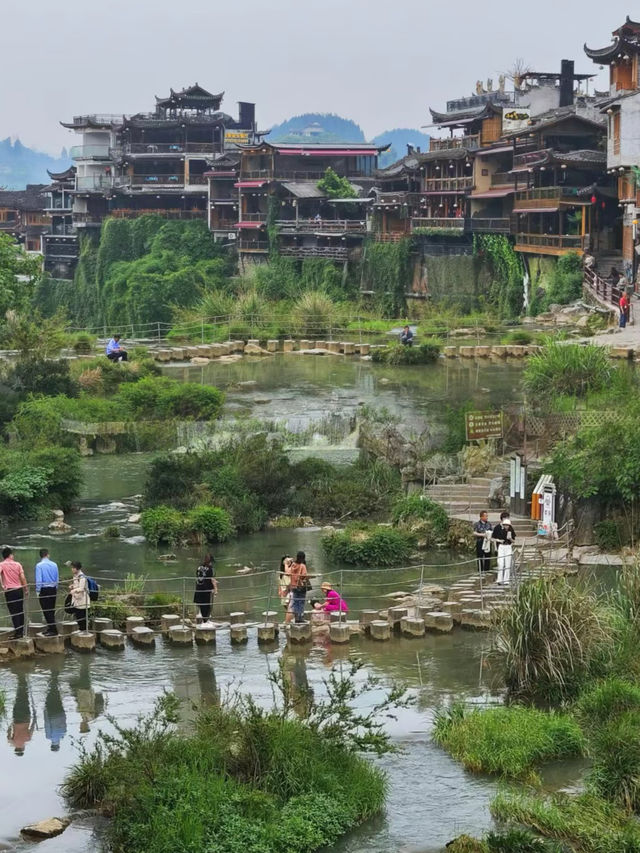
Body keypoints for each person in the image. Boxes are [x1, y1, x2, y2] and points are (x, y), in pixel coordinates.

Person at [0, 546, 28, 639]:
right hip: (19, 590)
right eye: (12, 554)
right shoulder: (18, 564)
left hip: (10, 591)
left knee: (13, 612)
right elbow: (23, 578)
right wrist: (26, 589)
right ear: (10, 555)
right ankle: (21, 631)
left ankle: (18, 633)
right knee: (20, 610)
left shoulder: (2, 565)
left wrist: (2, 585)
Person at [35, 548, 59, 635]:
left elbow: (39, 580)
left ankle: (53, 630)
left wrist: (38, 591)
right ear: (47, 555)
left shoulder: (39, 565)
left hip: (44, 590)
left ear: (41, 556)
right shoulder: (54, 564)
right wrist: (56, 588)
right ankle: (50, 628)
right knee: (51, 610)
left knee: (46, 610)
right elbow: (57, 578)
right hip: (53, 589)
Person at [492, 511, 516, 585]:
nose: (506, 526)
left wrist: (510, 539)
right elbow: (493, 538)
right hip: (501, 546)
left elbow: (513, 540)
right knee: (501, 563)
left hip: (508, 546)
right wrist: (498, 541)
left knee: (508, 563)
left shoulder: (510, 528)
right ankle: (499, 579)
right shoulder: (497, 528)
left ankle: (506, 579)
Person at [285, 551, 309, 625]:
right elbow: (304, 575)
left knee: (295, 603)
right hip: (301, 587)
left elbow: (288, 573)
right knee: (301, 602)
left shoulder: (293, 565)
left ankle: (296, 618)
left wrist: (287, 563)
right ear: (303, 558)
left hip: (293, 587)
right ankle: (300, 618)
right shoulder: (302, 565)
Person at [193, 554, 217, 622]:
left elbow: (198, 577)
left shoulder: (199, 567)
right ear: (210, 561)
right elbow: (212, 579)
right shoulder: (211, 568)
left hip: (198, 588)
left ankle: (203, 619)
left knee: (201, 605)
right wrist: (215, 590)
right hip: (206, 590)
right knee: (207, 606)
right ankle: (206, 621)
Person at [69, 561, 90, 631]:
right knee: (78, 615)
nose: (72, 569)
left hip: (82, 599)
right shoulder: (75, 576)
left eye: (73, 568)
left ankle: (83, 630)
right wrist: (72, 586)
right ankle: (81, 629)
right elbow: (77, 585)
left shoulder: (82, 577)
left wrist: (74, 590)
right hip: (77, 598)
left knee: (82, 615)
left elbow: (81, 588)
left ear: (77, 569)